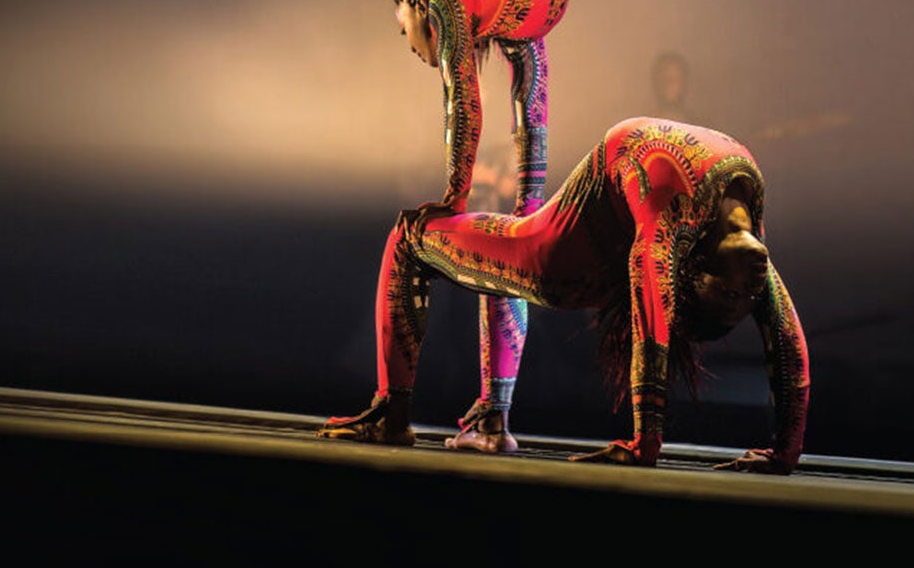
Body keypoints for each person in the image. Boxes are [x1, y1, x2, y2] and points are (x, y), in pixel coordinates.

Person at [216, 0, 702, 454]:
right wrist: (510, 219)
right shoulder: (525, 29)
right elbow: (528, 165)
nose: (412, 44)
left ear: (418, 3)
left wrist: (451, 197)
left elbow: (463, 103)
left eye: (404, 28)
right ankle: (494, 418)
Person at [316, 117, 810, 473]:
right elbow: (655, 323)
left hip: (582, 267)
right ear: (694, 269)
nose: (746, 296)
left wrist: (784, 453)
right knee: (411, 237)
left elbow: (784, 342)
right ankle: (409, 414)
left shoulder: (735, 236)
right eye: (734, 298)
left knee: (410, 239)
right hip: (555, 260)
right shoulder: (675, 207)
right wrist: (647, 444)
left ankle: (402, 415)